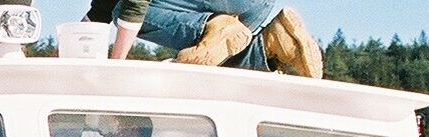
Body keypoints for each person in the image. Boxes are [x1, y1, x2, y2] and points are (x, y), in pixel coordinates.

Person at [84, 1, 323, 79]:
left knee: (122, 11)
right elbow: (96, 16)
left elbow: (134, 5)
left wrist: (115, 69)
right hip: (254, 9)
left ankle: (211, 25)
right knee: (214, 53)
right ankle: (275, 44)